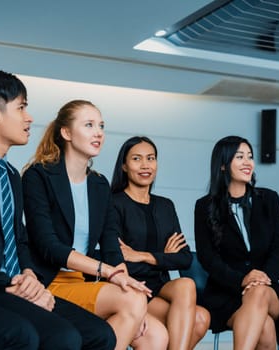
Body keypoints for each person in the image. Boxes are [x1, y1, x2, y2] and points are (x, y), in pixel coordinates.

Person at [0, 70, 116, 350]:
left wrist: (31, 277)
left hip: (17, 284)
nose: (29, 117)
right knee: (62, 336)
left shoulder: (11, 174)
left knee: (101, 334)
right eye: (21, 107)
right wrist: (11, 283)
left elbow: (20, 240)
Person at [22, 100, 167, 350]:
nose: (98, 132)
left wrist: (124, 280)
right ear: (66, 133)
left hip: (85, 282)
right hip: (49, 281)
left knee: (156, 335)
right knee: (133, 303)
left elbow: (111, 244)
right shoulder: (39, 176)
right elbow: (49, 246)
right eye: (89, 125)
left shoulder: (99, 185)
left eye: (101, 125)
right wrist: (109, 272)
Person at [194, 135, 279, 350]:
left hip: (268, 289)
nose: (247, 162)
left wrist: (262, 278)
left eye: (250, 157)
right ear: (223, 165)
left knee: (258, 293)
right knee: (265, 327)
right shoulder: (204, 206)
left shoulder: (269, 199)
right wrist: (243, 279)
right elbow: (208, 258)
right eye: (239, 157)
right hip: (227, 293)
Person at [110, 136, 211, 350]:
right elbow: (118, 259)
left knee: (187, 284)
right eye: (137, 159)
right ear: (124, 166)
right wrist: (164, 257)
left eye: (151, 158)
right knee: (199, 318)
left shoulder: (165, 205)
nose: (145, 165)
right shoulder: (114, 203)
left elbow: (183, 259)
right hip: (131, 289)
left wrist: (143, 255)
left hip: (160, 286)